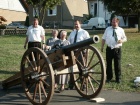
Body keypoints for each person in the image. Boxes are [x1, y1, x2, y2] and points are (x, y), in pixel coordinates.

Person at [101, 17, 127, 83]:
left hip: (117, 49)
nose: (113, 23)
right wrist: (102, 47)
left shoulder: (121, 30)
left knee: (117, 64)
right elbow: (103, 38)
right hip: (109, 49)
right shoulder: (107, 29)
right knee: (108, 64)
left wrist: (121, 40)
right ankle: (109, 77)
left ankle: (118, 78)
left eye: (115, 22)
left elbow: (125, 38)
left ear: (117, 22)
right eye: (112, 22)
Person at [67, 20, 90, 89]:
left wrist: (86, 52)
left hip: (80, 52)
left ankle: (83, 84)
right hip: (72, 52)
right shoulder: (72, 33)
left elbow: (88, 42)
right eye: (75, 24)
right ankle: (71, 84)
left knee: (81, 69)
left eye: (77, 24)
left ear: (80, 24)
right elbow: (68, 42)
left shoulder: (84, 32)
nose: (76, 25)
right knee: (71, 68)